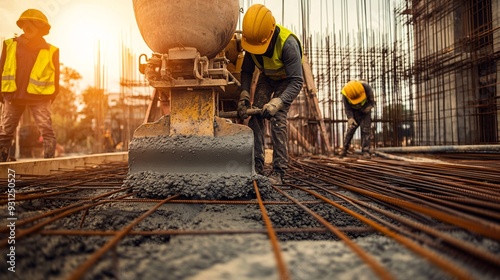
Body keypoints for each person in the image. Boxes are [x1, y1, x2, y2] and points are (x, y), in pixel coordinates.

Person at [237, 4, 303, 184]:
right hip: (267, 76)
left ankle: (279, 171)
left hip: (286, 80)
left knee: (277, 118)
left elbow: (297, 81)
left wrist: (278, 102)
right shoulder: (252, 41)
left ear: (270, 33)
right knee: (256, 114)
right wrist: (244, 94)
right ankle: (256, 165)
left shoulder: (288, 44)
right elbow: (247, 71)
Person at [0, 9, 59, 161]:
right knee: (6, 131)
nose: (28, 26)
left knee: (46, 130)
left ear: (40, 27)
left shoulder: (51, 50)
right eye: (25, 23)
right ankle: (1, 162)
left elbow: (56, 77)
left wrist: (51, 95)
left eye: (32, 23)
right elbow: (2, 68)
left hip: (39, 96)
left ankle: (48, 162)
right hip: (13, 94)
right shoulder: (9, 45)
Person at [339, 80, 376, 159]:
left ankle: (365, 151)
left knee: (366, 130)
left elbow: (372, 102)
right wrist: (350, 118)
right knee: (350, 130)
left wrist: (368, 108)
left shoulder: (366, 88)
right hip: (354, 113)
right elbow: (347, 108)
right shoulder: (346, 94)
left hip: (365, 112)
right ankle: (344, 149)